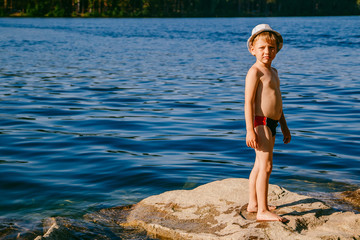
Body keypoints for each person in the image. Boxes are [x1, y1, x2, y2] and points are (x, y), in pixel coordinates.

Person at [244, 24, 291, 222]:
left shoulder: (274, 72)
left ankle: (254, 204)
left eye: (271, 48)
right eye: (262, 47)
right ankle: (263, 211)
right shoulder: (255, 72)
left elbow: (277, 101)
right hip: (260, 122)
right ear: (253, 49)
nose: (267, 52)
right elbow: (248, 102)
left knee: (258, 165)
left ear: (277, 50)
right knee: (266, 166)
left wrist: (284, 125)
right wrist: (249, 130)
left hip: (272, 122)